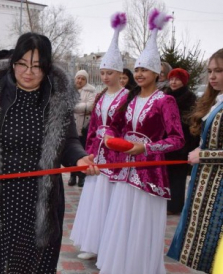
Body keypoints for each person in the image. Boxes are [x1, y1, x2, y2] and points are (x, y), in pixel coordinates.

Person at [0, 32, 98, 273]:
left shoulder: (57, 100)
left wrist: (79, 157)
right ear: (13, 62)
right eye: (22, 64)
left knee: (31, 266)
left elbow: (69, 140)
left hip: (38, 200)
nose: (28, 72)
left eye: (37, 66)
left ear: (47, 66)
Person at [97, 10, 183, 274]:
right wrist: (112, 139)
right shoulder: (131, 100)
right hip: (125, 169)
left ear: (157, 72)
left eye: (145, 69)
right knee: (121, 221)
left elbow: (177, 139)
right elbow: (121, 128)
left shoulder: (165, 101)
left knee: (142, 224)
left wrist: (146, 147)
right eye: (136, 69)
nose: (139, 73)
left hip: (151, 173)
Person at [70, 12, 129, 261]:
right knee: (95, 198)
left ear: (119, 73)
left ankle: (109, 246)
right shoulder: (100, 96)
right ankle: (92, 243)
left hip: (117, 155)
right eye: (103, 72)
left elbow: (128, 126)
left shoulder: (127, 97)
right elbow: (93, 125)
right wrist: (89, 150)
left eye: (110, 72)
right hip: (99, 153)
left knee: (113, 201)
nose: (105, 77)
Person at [167, 49, 223, 273]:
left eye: (219, 70)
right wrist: (202, 147)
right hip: (209, 186)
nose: (212, 76)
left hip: (218, 189)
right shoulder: (215, 100)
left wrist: (205, 154)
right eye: (210, 71)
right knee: (209, 252)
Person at [164, 68, 198, 215]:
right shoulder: (165, 96)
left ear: (183, 81)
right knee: (165, 174)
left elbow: (192, 123)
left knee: (178, 176)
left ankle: (175, 206)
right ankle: (163, 203)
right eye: (171, 79)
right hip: (165, 141)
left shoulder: (190, 98)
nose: (173, 82)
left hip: (182, 143)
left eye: (177, 79)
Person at [70, 69, 97, 187]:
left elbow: (90, 106)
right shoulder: (70, 89)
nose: (80, 80)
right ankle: (72, 176)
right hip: (71, 126)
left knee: (81, 152)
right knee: (71, 151)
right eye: (78, 78)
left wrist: (74, 107)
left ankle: (81, 177)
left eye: (83, 78)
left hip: (83, 126)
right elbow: (66, 104)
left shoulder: (91, 91)